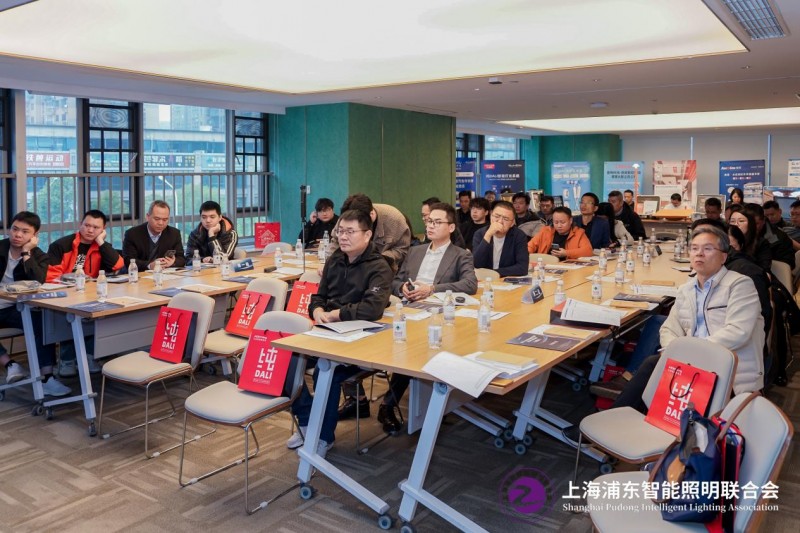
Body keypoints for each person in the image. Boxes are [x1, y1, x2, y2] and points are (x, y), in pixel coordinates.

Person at [563, 226, 765, 445]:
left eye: (708, 249)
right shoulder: (687, 289)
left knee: (652, 365)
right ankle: (615, 429)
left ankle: (611, 428)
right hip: (691, 365)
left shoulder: (739, 285)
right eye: (694, 248)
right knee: (654, 367)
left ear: (724, 256)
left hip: (728, 369)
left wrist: (689, 352)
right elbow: (669, 328)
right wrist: (674, 351)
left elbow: (738, 333)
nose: (699, 254)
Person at [359, 203, 478, 433]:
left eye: (437, 222)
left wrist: (432, 289)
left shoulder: (460, 255)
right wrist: (401, 287)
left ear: (451, 227)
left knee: (411, 348)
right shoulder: (415, 251)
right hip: (407, 310)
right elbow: (394, 281)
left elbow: (470, 284)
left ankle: (389, 404)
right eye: (429, 221)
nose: (430, 226)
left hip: (437, 316)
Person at [287, 209, 393, 457]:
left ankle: (323, 437)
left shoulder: (380, 266)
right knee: (285, 361)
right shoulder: (335, 259)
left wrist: (336, 314)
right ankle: (307, 419)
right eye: (340, 231)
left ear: (367, 235)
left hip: (361, 337)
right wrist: (317, 310)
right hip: (326, 330)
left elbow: (372, 308)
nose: (343, 237)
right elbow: (319, 296)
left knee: (327, 371)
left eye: (350, 232)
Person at [46, 209, 124, 376]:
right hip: (65, 294)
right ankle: (67, 359)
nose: (90, 230)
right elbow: (50, 276)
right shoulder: (61, 245)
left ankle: (89, 356)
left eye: (96, 227)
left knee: (101, 313)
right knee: (71, 314)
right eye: (87, 225)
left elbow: (117, 265)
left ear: (103, 230)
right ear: (80, 224)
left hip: (91, 294)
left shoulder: (101, 246)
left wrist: (101, 242)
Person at [0, 212, 70, 396]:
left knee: (42, 324)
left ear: (34, 235)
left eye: (25, 232)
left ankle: (47, 378)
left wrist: (26, 253)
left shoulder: (39, 256)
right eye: (15, 229)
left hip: (17, 308)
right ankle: (10, 364)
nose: (17, 235)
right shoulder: (1, 248)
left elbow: (38, 280)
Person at [332, 194, 411, 273]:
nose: (344, 236)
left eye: (351, 231)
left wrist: (381, 259)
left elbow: (403, 249)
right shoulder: (346, 217)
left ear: (371, 214)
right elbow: (335, 242)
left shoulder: (395, 220)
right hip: (349, 268)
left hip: (384, 270)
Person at [123, 200, 186, 272]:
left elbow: (182, 259)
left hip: (164, 275)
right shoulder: (132, 234)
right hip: (139, 275)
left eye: (165, 219)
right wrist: (149, 265)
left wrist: (172, 262)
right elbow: (129, 261)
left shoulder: (174, 234)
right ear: (147, 217)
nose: (161, 223)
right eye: (157, 219)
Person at [472, 200, 529, 276]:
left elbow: (522, 268)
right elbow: (476, 264)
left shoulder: (519, 236)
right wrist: (488, 235)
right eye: (496, 216)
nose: (500, 221)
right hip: (484, 279)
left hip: (506, 280)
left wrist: (494, 273)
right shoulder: (480, 234)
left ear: (512, 223)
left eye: (505, 219)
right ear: (491, 216)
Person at [527, 206, 593, 260]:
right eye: (556, 222)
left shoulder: (578, 233)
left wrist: (566, 253)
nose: (559, 226)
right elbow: (530, 246)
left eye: (562, 222)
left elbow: (588, 251)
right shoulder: (546, 231)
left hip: (568, 266)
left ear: (570, 220)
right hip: (546, 264)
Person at [743, 202, 795, 270]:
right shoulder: (736, 235)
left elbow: (787, 265)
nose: (751, 227)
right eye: (747, 223)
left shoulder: (781, 238)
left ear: (763, 221)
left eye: (756, 224)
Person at [185, 200, 238, 265]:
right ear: (200, 218)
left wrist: (211, 235)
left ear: (220, 217)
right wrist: (202, 259)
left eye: (212, 217)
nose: (208, 220)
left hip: (224, 269)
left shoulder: (231, 234)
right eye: (204, 217)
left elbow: (223, 257)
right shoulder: (195, 234)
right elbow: (188, 259)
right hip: (202, 270)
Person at [727, 206, 772, 271]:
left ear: (750, 224)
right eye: (732, 221)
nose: (736, 224)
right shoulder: (723, 239)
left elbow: (764, 269)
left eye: (741, 221)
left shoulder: (761, 243)